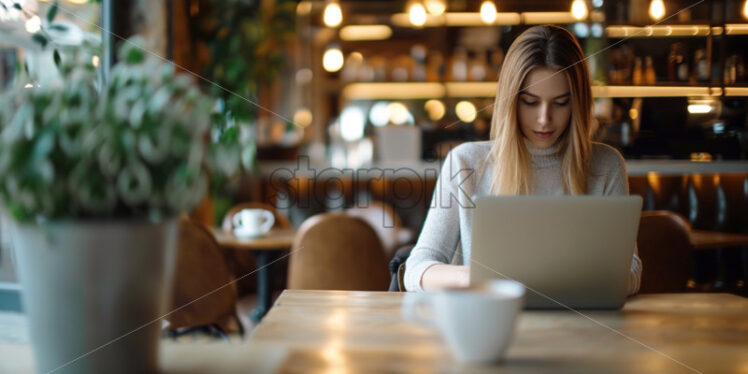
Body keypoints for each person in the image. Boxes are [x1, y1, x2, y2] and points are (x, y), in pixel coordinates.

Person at [404, 25, 642, 293]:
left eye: (561, 102)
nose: (544, 119)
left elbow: (631, 272)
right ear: (510, 101)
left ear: (578, 103)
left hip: (581, 326)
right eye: (530, 102)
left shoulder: (606, 165)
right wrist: (475, 277)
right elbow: (416, 270)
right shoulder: (465, 162)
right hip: (490, 324)